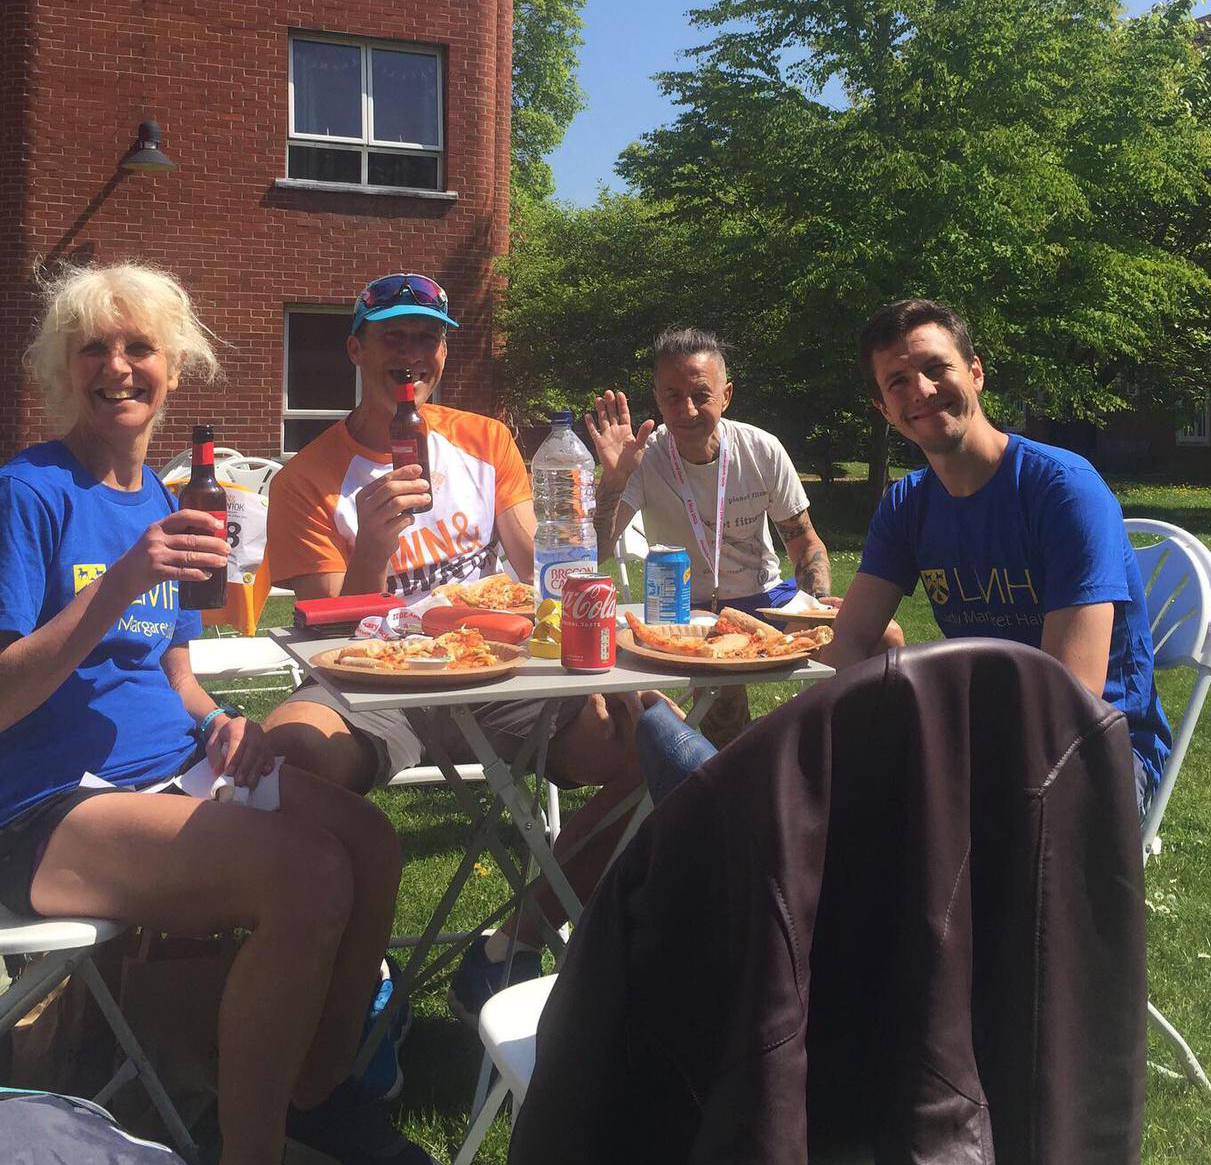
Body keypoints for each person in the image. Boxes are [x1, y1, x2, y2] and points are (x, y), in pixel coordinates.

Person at [0, 263, 434, 1165]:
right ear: (60, 367)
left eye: (138, 347)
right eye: (93, 348)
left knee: (369, 843)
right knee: (306, 877)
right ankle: (252, 1151)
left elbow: (177, 674)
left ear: (173, 365)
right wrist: (124, 578)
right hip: (45, 805)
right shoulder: (29, 491)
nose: (117, 367)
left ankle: (314, 1093)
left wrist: (220, 723)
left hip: (172, 766)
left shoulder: (165, 499)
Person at [263, 273, 646, 1026]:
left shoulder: (484, 439)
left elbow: (545, 568)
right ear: (356, 347)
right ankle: (360, 967)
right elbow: (332, 634)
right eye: (394, 336)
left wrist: (602, 501)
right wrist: (373, 543)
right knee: (285, 756)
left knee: (651, 739)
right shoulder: (306, 478)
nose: (413, 352)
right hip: (378, 683)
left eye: (428, 337)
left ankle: (511, 945)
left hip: (493, 668)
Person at [825, 298, 1171, 814]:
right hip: (977, 746)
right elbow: (848, 639)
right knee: (818, 793)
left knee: (891, 817)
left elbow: (1070, 695)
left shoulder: (1062, 490)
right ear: (884, 409)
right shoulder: (907, 504)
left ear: (976, 372)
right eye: (897, 381)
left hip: (1101, 758)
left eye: (935, 367)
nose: (920, 390)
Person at [590, 326, 901, 743]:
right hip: (684, 613)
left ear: (726, 395)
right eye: (672, 396)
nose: (686, 409)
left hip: (763, 602)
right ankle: (736, 767)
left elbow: (804, 540)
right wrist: (613, 480)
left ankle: (848, 747)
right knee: (723, 697)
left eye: (700, 395)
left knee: (887, 635)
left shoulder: (761, 449)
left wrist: (821, 599)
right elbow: (596, 552)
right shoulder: (643, 457)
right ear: (658, 397)